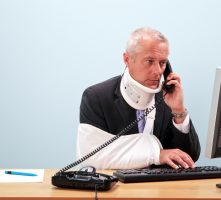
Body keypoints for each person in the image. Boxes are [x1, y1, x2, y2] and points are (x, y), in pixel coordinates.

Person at [76, 27, 200, 169]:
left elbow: (189, 157)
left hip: (160, 188)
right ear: (127, 59)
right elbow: (91, 158)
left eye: (162, 63)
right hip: (116, 188)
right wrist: (155, 154)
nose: (158, 71)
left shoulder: (167, 98)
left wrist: (178, 111)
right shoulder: (96, 97)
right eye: (149, 61)